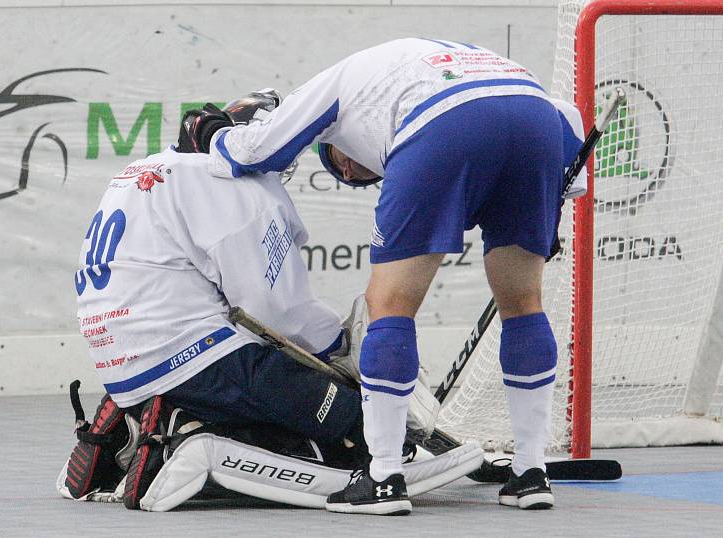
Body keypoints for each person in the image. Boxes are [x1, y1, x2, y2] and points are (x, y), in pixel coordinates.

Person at [182, 38, 587, 514]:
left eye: (344, 165)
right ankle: (530, 473)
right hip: (534, 116)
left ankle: (383, 478)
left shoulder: (336, 82)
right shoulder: (424, 59)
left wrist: (213, 134)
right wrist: (560, 197)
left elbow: (253, 151)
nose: (354, 169)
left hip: (443, 124)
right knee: (523, 302)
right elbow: (564, 116)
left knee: (389, 305)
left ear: (336, 146)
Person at [59, 92, 455, 511]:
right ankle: (183, 442)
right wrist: (343, 353)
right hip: (190, 356)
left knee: (282, 390)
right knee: (350, 420)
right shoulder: (232, 184)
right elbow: (275, 310)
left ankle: (147, 422)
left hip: (123, 366)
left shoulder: (145, 168)